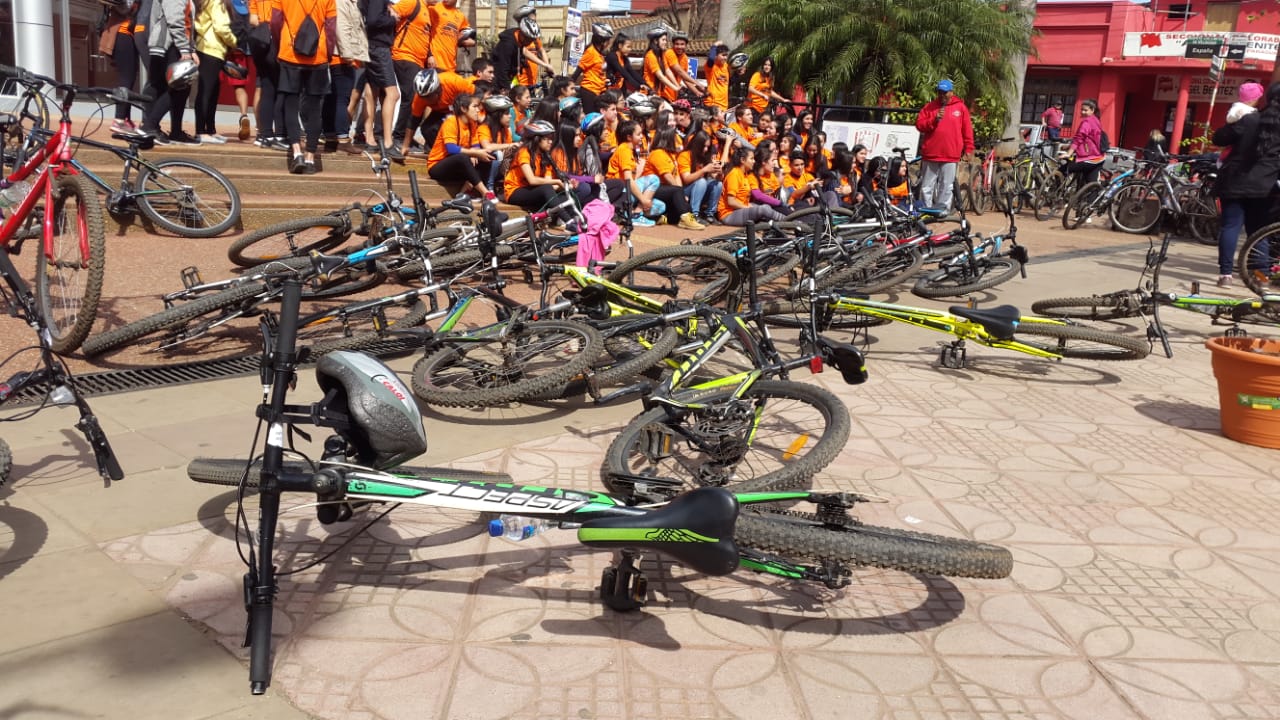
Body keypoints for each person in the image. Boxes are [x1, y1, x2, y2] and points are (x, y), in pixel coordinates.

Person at [1213, 82, 1280, 287]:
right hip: (1265, 185)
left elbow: (1219, 138)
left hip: (1235, 181)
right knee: (1259, 231)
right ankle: (1261, 276)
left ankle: (1226, 275)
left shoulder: (1249, 119)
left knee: (1231, 227)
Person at [272, 0, 337, 174]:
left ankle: (297, 153)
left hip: (289, 53)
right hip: (318, 56)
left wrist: (280, 45)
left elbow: (275, 21)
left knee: (290, 105)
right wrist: (328, 53)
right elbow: (331, 28)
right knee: (315, 109)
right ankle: (310, 157)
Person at [137, 0, 201, 145]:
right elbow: (175, 20)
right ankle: (150, 126)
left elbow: (186, 24)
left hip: (167, 44)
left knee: (162, 86)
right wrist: (184, 48)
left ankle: (170, 131)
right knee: (178, 86)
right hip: (168, 45)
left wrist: (190, 49)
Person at [914, 78, 974, 212]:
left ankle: (943, 211)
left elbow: (967, 130)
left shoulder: (961, 108)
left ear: (951, 92)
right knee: (926, 186)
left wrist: (969, 148)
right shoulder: (930, 107)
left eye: (945, 92)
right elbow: (919, 125)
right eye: (940, 92)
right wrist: (934, 119)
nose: (942, 95)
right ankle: (926, 210)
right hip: (931, 153)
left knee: (946, 186)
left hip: (950, 154)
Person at [426, 93, 495, 197]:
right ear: (463, 108)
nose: (478, 110)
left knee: (487, 158)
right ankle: (485, 193)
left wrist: (475, 153)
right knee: (462, 157)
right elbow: (451, 149)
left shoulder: (472, 123)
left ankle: (465, 190)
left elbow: (475, 145)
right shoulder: (451, 121)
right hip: (437, 166)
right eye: (475, 107)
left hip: (458, 167)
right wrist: (474, 153)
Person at [193, 0, 239, 144]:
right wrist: (234, 42)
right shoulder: (217, 1)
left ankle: (210, 130)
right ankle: (201, 131)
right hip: (211, 49)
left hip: (207, 47)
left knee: (212, 91)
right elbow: (221, 27)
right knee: (206, 92)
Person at [647, 126, 705, 229]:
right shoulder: (657, 153)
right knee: (677, 192)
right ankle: (686, 221)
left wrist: (681, 195)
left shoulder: (670, 155)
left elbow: (676, 175)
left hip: (664, 188)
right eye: (675, 138)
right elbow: (668, 177)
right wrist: (680, 193)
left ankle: (665, 218)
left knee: (684, 205)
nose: (677, 141)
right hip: (650, 189)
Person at [503, 119, 568, 209]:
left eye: (551, 138)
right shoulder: (524, 152)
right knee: (546, 189)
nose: (550, 142)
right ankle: (565, 217)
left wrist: (564, 186)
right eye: (547, 139)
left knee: (565, 197)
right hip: (514, 191)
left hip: (532, 190)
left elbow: (548, 181)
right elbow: (532, 180)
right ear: (537, 139)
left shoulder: (546, 156)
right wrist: (557, 182)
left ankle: (573, 216)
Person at [717, 146, 787, 225]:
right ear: (742, 160)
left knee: (766, 207)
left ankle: (783, 222)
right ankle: (788, 222)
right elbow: (731, 202)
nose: (754, 161)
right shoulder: (734, 174)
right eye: (751, 159)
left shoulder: (744, 174)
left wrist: (750, 206)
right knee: (763, 209)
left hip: (739, 210)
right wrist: (748, 207)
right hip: (728, 214)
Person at [104, 2, 145, 136]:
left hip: (128, 35)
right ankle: (119, 120)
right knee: (126, 78)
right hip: (123, 33)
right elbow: (125, 7)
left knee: (130, 78)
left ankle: (125, 119)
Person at [1063, 98, 1105, 187]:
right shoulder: (1097, 121)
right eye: (1082, 110)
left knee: (1062, 170)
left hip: (1088, 158)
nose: (1082, 112)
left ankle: (1054, 192)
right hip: (1099, 158)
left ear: (1092, 110)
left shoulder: (1087, 122)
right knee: (1091, 185)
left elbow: (1079, 138)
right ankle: (1092, 195)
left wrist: (1069, 153)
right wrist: (1069, 146)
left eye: (1085, 110)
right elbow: (1089, 140)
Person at [575, 23, 612, 114]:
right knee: (591, 118)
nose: (609, 43)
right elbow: (578, 71)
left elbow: (597, 72)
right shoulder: (590, 52)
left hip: (599, 91)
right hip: (589, 90)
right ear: (602, 41)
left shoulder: (600, 54)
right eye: (608, 40)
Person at [427, 0, 471, 72]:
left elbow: (471, 38)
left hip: (451, 66)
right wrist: (429, 55)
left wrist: (465, 41)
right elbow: (424, 34)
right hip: (434, 63)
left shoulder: (461, 16)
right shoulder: (433, 9)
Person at [643, 27, 680, 103]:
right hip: (649, 93)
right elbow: (660, 76)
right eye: (663, 40)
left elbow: (667, 71)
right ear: (655, 41)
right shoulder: (650, 55)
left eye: (666, 40)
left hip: (657, 93)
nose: (665, 42)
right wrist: (675, 88)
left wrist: (677, 85)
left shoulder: (661, 55)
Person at [704, 42, 729, 114]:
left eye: (726, 55)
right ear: (716, 56)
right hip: (713, 104)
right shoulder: (711, 67)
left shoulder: (726, 66)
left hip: (724, 106)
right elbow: (711, 59)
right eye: (723, 55)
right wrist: (714, 46)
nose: (725, 58)